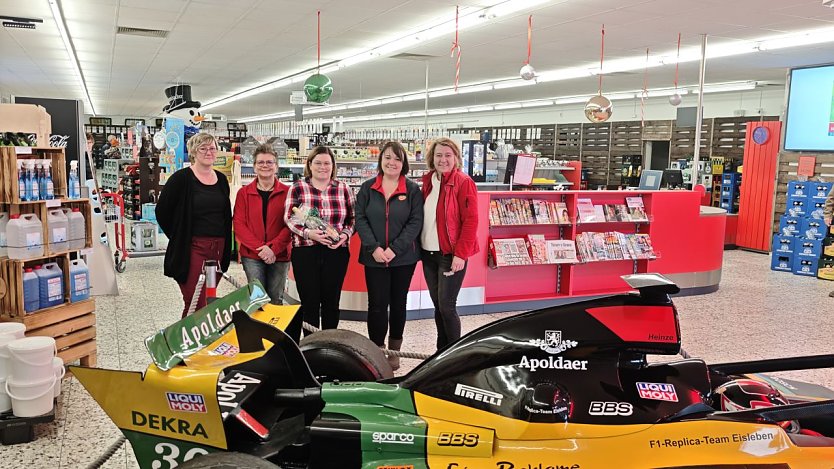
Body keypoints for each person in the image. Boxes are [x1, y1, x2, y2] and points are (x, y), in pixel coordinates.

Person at [355, 141, 423, 370]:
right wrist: (374, 248)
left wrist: (395, 249)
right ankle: (376, 350)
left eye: (397, 158)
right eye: (387, 157)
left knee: (398, 303)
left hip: (403, 258)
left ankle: (394, 352)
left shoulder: (412, 190)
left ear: (403, 163)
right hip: (373, 257)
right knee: (376, 305)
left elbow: (415, 223)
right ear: (380, 160)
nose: (391, 162)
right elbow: (360, 219)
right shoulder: (367, 188)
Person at [156, 132, 232, 317]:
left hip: (218, 249)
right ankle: (185, 336)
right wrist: (178, 236)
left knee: (208, 301)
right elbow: (162, 211)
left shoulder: (222, 180)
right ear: (193, 152)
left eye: (212, 148)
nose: (208, 152)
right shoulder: (181, 179)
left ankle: (206, 335)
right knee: (196, 302)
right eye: (203, 148)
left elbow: (224, 214)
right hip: (192, 249)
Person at [284, 146, 355, 342]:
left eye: (326, 163)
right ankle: (312, 346)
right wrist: (309, 233)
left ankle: (330, 345)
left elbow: (353, 218)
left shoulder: (344, 188)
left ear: (333, 166)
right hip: (306, 252)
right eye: (318, 163)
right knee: (310, 303)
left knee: (332, 302)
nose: (322, 167)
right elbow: (289, 218)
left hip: (336, 252)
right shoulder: (298, 187)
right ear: (309, 165)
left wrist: (345, 236)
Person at [420, 137, 479, 350]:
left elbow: (471, 221)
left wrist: (461, 254)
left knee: (447, 306)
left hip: (450, 254)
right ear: (432, 158)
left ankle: (453, 352)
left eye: (447, 155)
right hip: (428, 253)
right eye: (438, 155)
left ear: (456, 158)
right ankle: (441, 350)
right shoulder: (429, 181)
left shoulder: (463, 182)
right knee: (438, 305)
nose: (442, 160)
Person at [233, 144, 292, 305]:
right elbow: (239, 225)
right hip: (252, 255)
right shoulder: (244, 193)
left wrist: (273, 249)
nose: (265, 165)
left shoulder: (288, 192)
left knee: (276, 299)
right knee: (258, 301)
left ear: (276, 166)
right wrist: (261, 249)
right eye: (260, 162)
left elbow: (290, 225)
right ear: (254, 166)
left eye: (269, 162)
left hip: (280, 255)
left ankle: (274, 323)